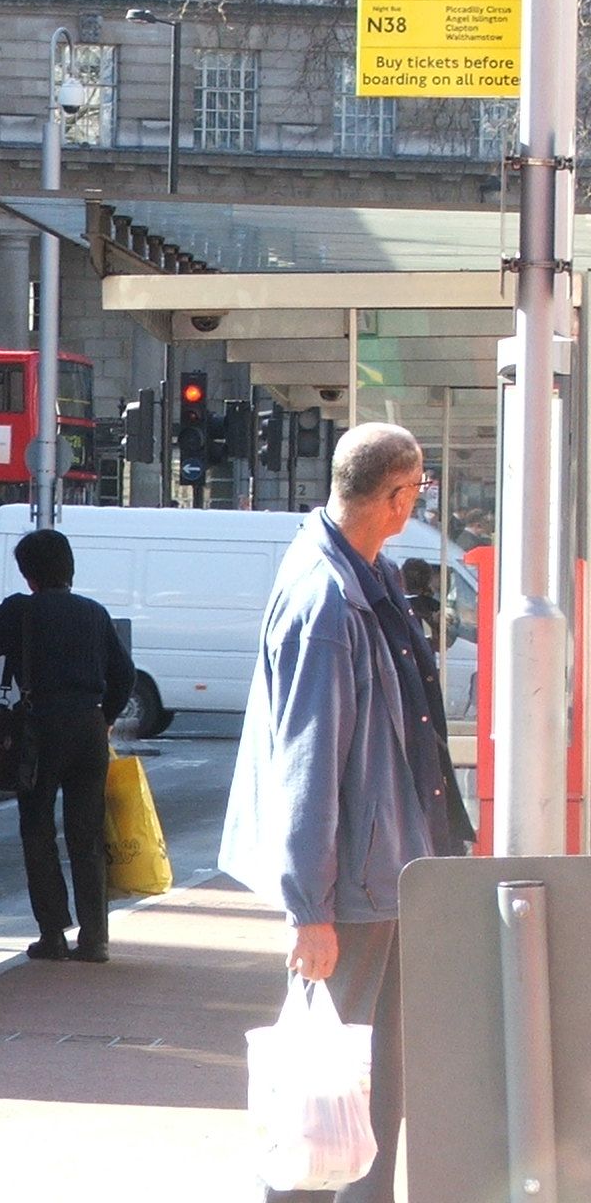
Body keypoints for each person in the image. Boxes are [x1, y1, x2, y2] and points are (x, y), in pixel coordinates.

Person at [220, 423, 472, 1203]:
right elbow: (307, 760)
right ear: (397, 496)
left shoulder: (367, 575)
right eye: (418, 487)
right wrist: (309, 909)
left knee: (370, 1079)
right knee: (325, 1084)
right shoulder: (327, 601)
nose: (418, 500)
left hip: (383, 872)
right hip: (351, 887)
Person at [0, 527, 136, 963]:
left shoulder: (21, 612)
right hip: (88, 727)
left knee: (37, 830)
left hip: (40, 728)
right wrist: (103, 717)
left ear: (27, 574)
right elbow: (124, 674)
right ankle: (95, 938)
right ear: (69, 567)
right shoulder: (94, 613)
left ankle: (53, 933)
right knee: (86, 834)